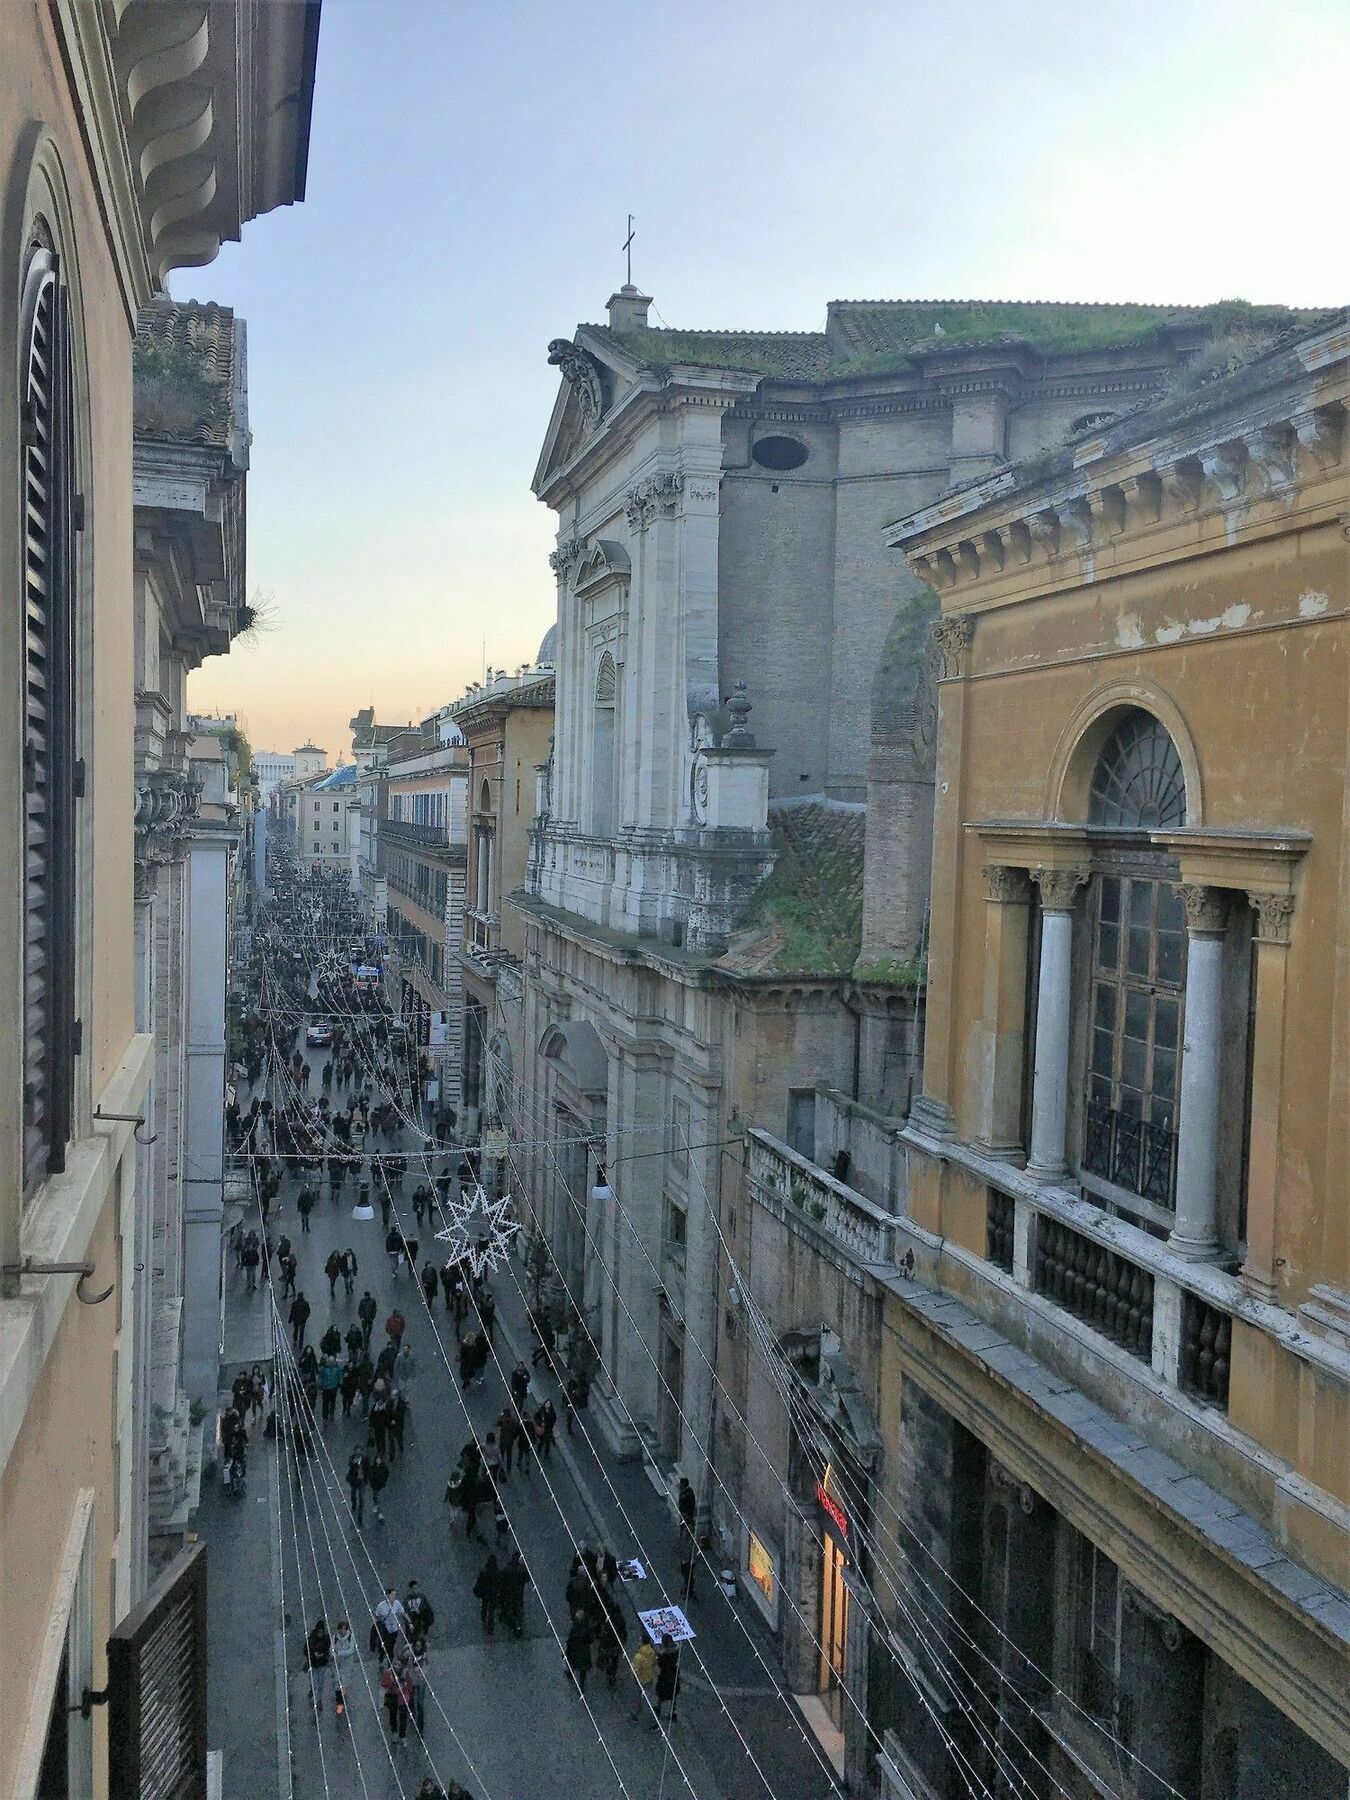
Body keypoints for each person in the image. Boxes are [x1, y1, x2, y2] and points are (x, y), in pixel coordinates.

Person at [596, 1587, 629, 1690]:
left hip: (608, 1644)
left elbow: (605, 1632)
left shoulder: (609, 1620)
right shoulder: (619, 1620)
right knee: (614, 1660)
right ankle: (612, 1675)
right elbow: (623, 1632)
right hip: (616, 1645)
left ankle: (609, 1673)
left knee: (608, 1658)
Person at [379, 1656, 411, 1743]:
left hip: (403, 1696)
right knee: (393, 1715)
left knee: (403, 1716)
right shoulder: (388, 1673)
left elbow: (409, 1684)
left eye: (398, 1665)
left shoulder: (405, 1673)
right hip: (392, 1696)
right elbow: (383, 1685)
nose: (396, 1666)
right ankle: (394, 1732)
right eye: (395, 1664)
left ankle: (402, 1735)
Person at [498, 1550, 530, 1639]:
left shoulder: (507, 1569)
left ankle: (514, 1626)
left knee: (511, 1608)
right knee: (518, 1609)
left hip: (510, 1593)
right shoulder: (521, 1569)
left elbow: (502, 1580)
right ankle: (518, 1627)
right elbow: (527, 1578)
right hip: (519, 1592)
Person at [373, 1587, 407, 1663]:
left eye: (394, 1594)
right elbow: (377, 1616)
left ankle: (390, 1662)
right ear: (387, 1596)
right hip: (385, 1628)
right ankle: (382, 1655)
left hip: (394, 1628)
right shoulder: (381, 1606)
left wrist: (409, 1622)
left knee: (391, 1645)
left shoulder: (397, 1603)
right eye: (392, 1595)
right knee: (384, 1644)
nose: (394, 1596)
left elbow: (403, 1613)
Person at [331, 1619, 357, 1718]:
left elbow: (351, 1650)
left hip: (347, 1666)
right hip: (337, 1665)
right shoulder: (335, 1638)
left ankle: (343, 1696)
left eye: (345, 1629)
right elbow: (331, 1649)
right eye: (341, 1629)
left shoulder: (350, 1637)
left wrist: (339, 1653)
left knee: (345, 1684)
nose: (343, 1631)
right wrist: (334, 1654)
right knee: (337, 1686)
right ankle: (339, 1707)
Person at [653, 1633, 681, 1725]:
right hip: (674, 1673)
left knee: (662, 1693)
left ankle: (658, 1707)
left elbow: (660, 1664)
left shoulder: (664, 1654)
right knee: (673, 1693)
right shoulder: (676, 1651)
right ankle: (673, 1711)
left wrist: (659, 1656)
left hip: (665, 1675)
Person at [305, 1618, 332, 1713]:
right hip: (314, 1664)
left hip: (321, 1664)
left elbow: (327, 1650)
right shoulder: (311, 1639)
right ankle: (315, 1697)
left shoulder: (326, 1639)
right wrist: (314, 1655)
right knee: (315, 1682)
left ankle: (318, 1700)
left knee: (320, 1683)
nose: (320, 1634)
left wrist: (323, 1655)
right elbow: (306, 1651)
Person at [564, 1609, 593, 1695]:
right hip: (584, 1650)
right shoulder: (587, 1628)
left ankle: (570, 1673)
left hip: (575, 1649)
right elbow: (591, 1639)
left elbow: (571, 1639)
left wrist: (568, 1648)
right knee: (582, 1669)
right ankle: (581, 1685)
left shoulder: (575, 1628)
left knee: (572, 1662)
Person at [629, 1637, 657, 1722]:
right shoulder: (652, 1651)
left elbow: (634, 1670)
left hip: (640, 1679)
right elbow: (654, 1662)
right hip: (649, 1677)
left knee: (639, 1697)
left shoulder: (638, 1657)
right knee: (647, 1695)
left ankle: (637, 1713)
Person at [404, 1579, 434, 1655]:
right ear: (410, 1589)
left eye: (416, 1588)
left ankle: (423, 1655)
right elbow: (405, 1612)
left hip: (421, 1623)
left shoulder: (422, 1597)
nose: (415, 1591)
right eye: (413, 1589)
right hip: (412, 1624)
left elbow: (428, 1609)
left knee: (421, 1640)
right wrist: (409, 1623)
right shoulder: (407, 1600)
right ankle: (412, 1657)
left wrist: (428, 1621)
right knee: (411, 1642)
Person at [473, 1553, 500, 1635]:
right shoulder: (497, 1572)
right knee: (491, 1610)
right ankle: (490, 1625)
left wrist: (477, 1590)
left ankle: (483, 1619)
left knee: (484, 1606)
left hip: (485, 1593)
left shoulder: (484, 1572)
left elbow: (479, 1582)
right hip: (493, 1594)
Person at [367, 1445, 390, 1524]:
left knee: (380, 1498)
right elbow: (370, 1475)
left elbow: (386, 1474)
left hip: (381, 1485)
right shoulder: (373, 1468)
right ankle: (376, 1505)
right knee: (375, 1497)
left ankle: (380, 1513)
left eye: (379, 1460)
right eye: (377, 1460)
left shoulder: (384, 1468)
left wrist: (383, 1481)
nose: (378, 1461)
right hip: (374, 1486)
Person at [318, 1352, 342, 1423]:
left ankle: (331, 1414)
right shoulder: (325, 1368)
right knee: (326, 1403)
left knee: (332, 1402)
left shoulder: (336, 1368)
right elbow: (321, 1377)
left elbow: (339, 1377)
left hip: (333, 1388)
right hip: (327, 1388)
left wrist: (339, 1383)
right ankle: (325, 1416)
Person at [346, 1448, 367, 1526]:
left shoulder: (365, 1459)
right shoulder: (352, 1459)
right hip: (354, 1481)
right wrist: (355, 1463)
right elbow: (350, 1465)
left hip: (362, 1481)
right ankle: (354, 1503)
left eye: (359, 1451)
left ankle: (360, 1517)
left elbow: (367, 1469)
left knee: (361, 1498)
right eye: (357, 1451)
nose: (358, 1452)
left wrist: (366, 1479)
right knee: (353, 1494)